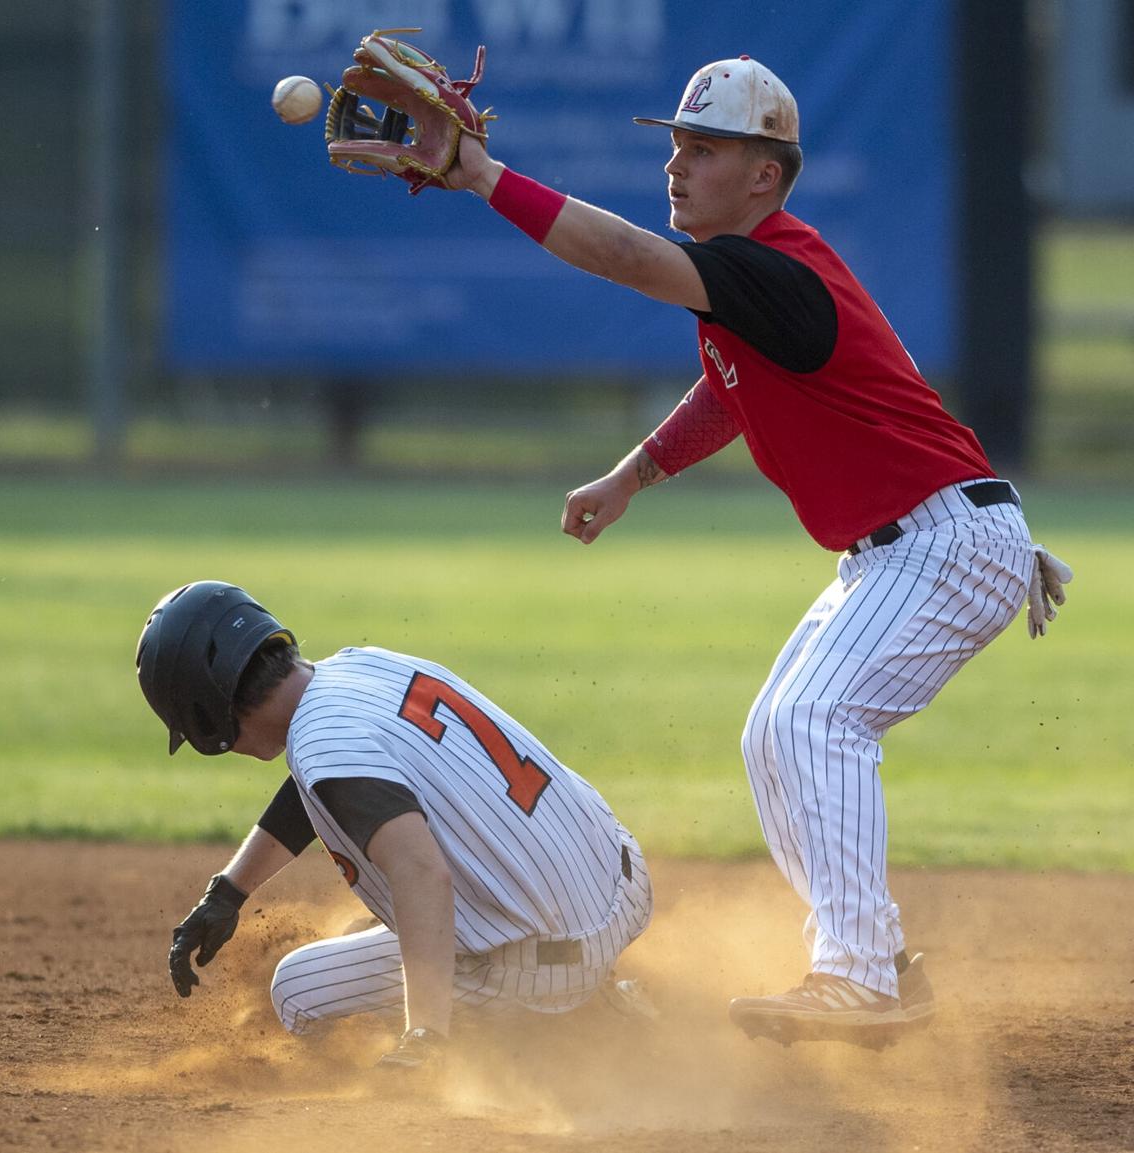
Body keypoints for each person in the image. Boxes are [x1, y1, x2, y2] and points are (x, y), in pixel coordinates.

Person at [435, 56, 1071, 1045]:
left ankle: (858, 975)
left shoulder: (770, 265)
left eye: (705, 148)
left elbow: (626, 259)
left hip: (944, 539)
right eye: (677, 146)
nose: (677, 166)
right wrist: (631, 476)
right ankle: (881, 959)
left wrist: (484, 176)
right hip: (913, 542)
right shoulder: (753, 289)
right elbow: (731, 393)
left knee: (816, 720)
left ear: (764, 176)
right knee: (774, 734)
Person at [136, 581, 654, 1070]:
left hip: (551, 960)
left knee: (297, 991)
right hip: (619, 881)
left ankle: (561, 1032)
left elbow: (423, 874)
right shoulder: (361, 669)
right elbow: (324, 785)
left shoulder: (323, 744)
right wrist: (227, 893)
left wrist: (425, 1036)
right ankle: (589, 989)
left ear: (208, 718)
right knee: (362, 931)